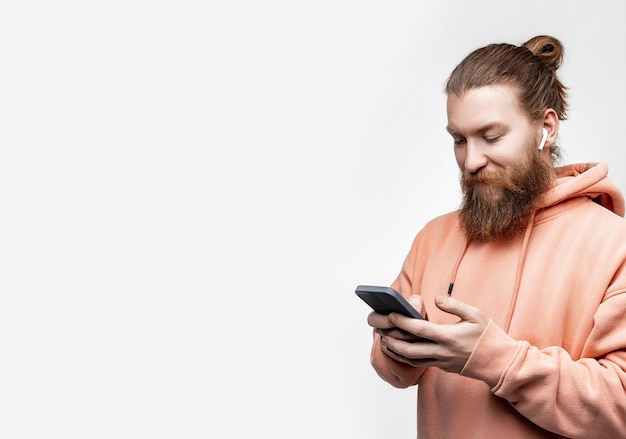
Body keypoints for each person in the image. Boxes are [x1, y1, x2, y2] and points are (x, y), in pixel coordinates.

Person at [365, 35, 626, 438]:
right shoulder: (433, 238)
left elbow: (620, 409)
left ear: (547, 128)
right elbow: (394, 375)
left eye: (491, 137)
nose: (471, 160)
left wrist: (494, 359)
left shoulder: (613, 245)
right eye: (459, 139)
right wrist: (397, 345)